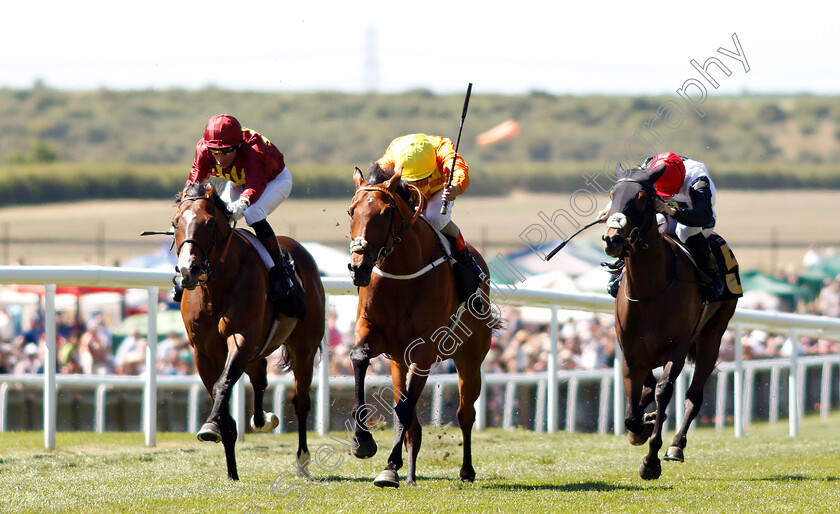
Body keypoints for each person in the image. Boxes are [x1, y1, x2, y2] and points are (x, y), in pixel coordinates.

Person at [173, 114, 304, 318]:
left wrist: (242, 202)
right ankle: (189, 269)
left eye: (226, 151)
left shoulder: (254, 150)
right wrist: (186, 207)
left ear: (238, 146)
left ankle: (280, 271)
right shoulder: (204, 149)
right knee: (216, 218)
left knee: (252, 213)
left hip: (273, 181)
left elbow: (255, 184)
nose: (219, 157)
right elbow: (194, 182)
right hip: (238, 181)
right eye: (215, 151)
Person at [601, 152, 724, 300]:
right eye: (664, 193)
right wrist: (609, 208)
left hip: (696, 219)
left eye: (671, 192)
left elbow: (704, 217)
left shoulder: (699, 180)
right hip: (665, 213)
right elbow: (627, 189)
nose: (667, 197)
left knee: (684, 231)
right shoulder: (648, 168)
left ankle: (711, 272)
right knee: (648, 225)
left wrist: (671, 211)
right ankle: (622, 264)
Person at [375, 133, 485, 282]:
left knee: (435, 218)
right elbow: (377, 174)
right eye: (414, 180)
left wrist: (455, 189)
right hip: (405, 190)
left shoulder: (443, 148)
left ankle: (466, 258)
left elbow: (460, 170)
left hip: (439, 190)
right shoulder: (394, 152)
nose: (419, 185)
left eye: (422, 178)